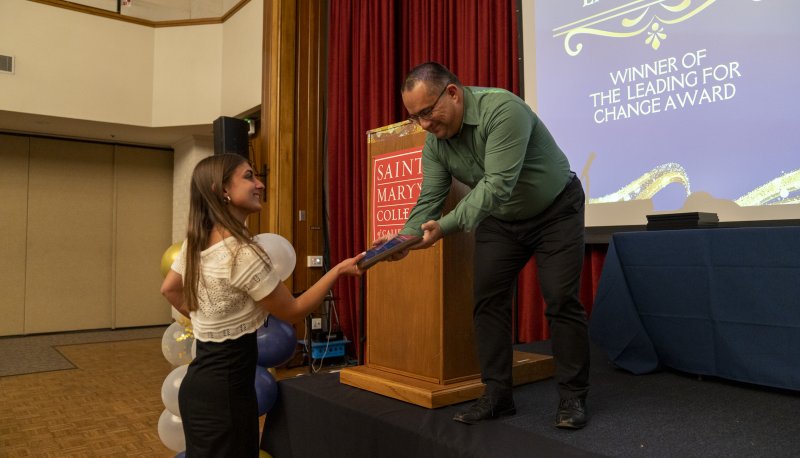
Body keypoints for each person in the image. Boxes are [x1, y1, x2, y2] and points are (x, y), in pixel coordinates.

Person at [386, 62, 590, 429]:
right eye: (416, 118)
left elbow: (497, 185)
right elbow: (429, 198)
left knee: (560, 298)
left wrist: (445, 227)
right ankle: (498, 396)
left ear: (452, 92)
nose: (425, 125)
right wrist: (403, 238)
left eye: (428, 112)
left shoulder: (503, 110)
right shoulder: (435, 143)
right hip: (503, 220)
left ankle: (573, 396)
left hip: (555, 210)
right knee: (487, 300)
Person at [160, 153, 364, 456]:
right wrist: (336, 271)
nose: (260, 184)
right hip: (227, 393)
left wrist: (207, 316)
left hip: (199, 385)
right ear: (222, 189)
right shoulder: (243, 253)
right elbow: (293, 311)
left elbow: (169, 288)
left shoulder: (198, 241)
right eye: (249, 177)